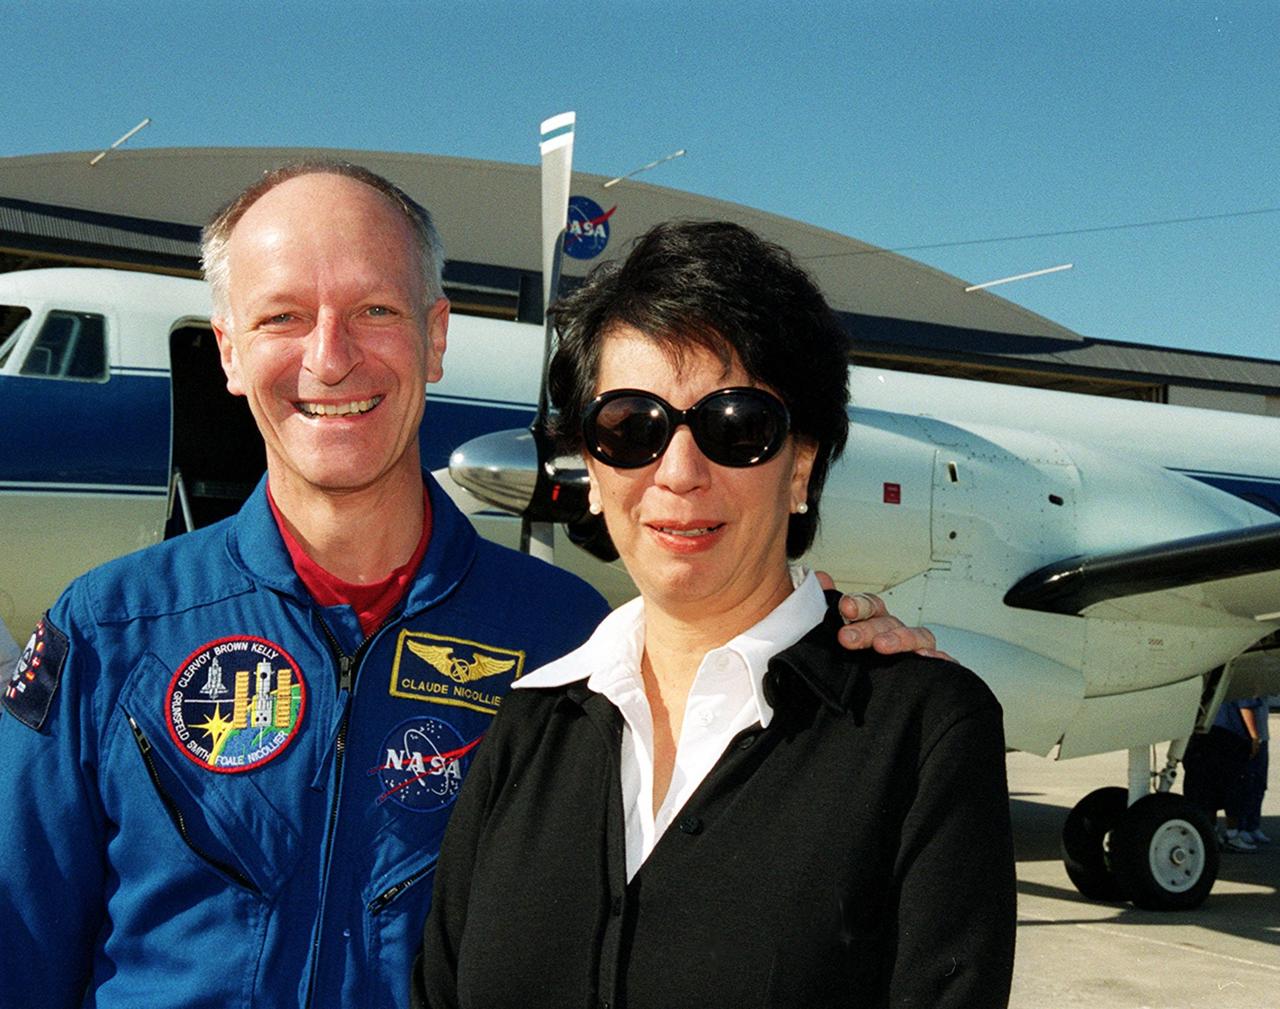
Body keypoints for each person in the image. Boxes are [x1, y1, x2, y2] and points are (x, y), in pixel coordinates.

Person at [0, 164, 938, 1009]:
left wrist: (843, 666)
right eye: (282, 316)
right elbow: (20, 948)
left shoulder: (576, 649)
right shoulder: (108, 630)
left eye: (374, 310)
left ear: (435, 334)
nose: (330, 358)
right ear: (230, 352)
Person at [414, 221, 1017, 1009]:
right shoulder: (526, 727)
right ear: (591, 468)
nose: (680, 472)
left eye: (736, 426)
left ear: (801, 463)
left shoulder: (925, 731)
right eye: (630, 426)